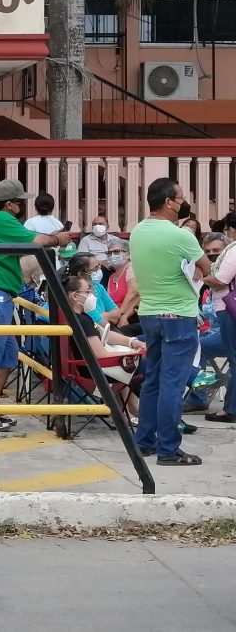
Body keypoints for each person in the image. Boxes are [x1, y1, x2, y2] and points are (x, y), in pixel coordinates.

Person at [0, 179, 72, 432]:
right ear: (11, 204)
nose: (23, 205)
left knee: (8, 355)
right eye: (20, 201)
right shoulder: (0, 219)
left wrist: (53, 239)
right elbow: (36, 241)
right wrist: (58, 239)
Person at [130, 177, 210, 466]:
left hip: (149, 313)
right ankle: (168, 449)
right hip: (179, 316)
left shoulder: (138, 231)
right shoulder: (181, 235)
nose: (182, 203)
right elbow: (206, 267)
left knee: (153, 381)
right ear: (168, 202)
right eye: (179, 198)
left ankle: (144, 442)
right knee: (173, 385)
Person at [63, 275, 144, 421]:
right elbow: (101, 355)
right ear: (75, 296)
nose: (92, 296)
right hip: (93, 369)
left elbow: (103, 335)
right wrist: (135, 353)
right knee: (146, 364)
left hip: (79, 367)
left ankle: (127, 409)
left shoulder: (70, 317)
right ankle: (149, 413)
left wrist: (131, 342)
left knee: (137, 358)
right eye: (88, 292)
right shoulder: (83, 321)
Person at [199, 218, 236, 422]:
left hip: (229, 308)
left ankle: (230, 409)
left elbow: (222, 280)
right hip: (224, 313)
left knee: (234, 359)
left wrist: (197, 278)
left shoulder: (234, 250)